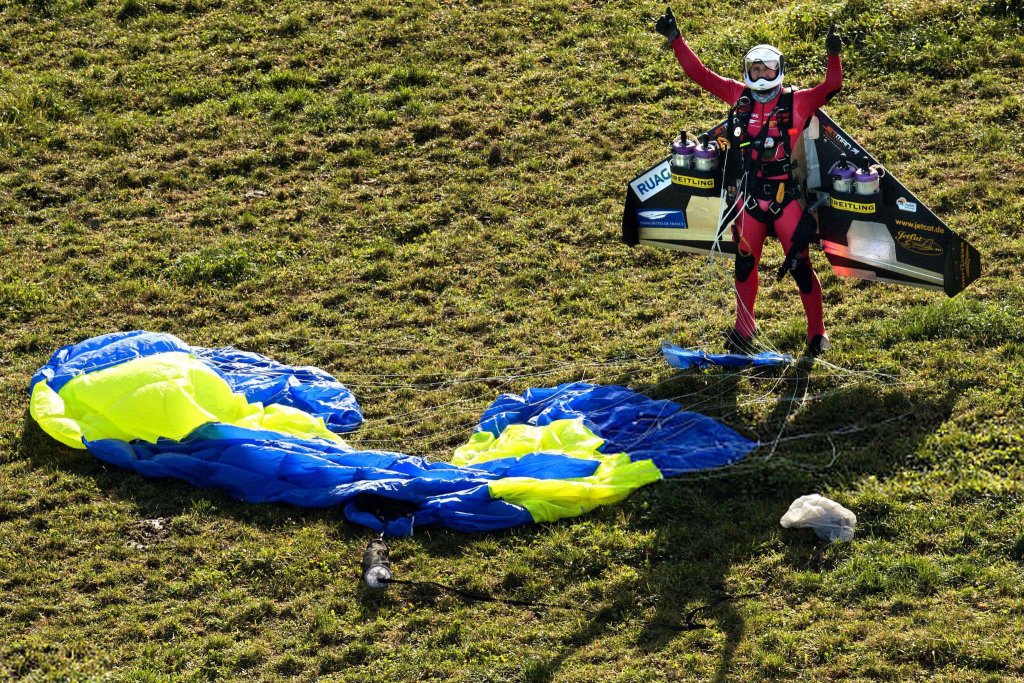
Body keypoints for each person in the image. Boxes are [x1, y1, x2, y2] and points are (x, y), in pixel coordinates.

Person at [655, 8, 843, 356]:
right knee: (744, 264)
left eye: (767, 67)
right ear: (747, 72)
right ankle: (745, 328)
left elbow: (832, 86)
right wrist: (676, 40)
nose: (761, 73)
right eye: (755, 68)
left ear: (779, 70)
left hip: (786, 199)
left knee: (800, 265)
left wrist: (833, 55)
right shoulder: (737, 95)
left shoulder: (796, 101)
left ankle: (817, 333)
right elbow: (701, 75)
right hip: (749, 198)